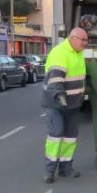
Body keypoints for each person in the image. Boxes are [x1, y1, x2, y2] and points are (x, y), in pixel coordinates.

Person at [41, 27, 88, 183]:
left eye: (86, 40)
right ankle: (49, 171)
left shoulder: (78, 53)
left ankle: (66, 169)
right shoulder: (60, 52)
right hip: (57, 104)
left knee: (69, 138)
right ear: (73, 38)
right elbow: (55, 77)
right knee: (56, 135)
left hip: (73, 104)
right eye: (83, 40)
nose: (85, 43)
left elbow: (80, 77)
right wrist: (59, 96)